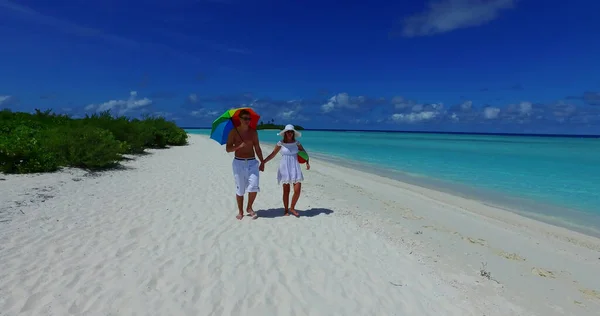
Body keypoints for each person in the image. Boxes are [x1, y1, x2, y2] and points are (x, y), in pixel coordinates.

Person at [262, 124, 310, 217]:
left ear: (293, 133)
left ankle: (292, 207)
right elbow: (273, 154)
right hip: (284, 167)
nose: (290, 133)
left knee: (297, 190)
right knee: (286, 191)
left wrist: (307, 162)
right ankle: (286, 209)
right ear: (285, 133)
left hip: (295, 166)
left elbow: (304, 153)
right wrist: (264, 161)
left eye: (291, 132)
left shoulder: (297, 143)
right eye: (288, 132)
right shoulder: (280, 143)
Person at [225, 109, 265, 220]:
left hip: (252, 162)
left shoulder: (253, 132)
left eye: (249, 119)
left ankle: (249, 207)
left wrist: (262, 161)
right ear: (240, 119)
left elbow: (257, 147)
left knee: (254, 186)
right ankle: (240, 211)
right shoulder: (233, 132)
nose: (247, 121)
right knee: (240, 189)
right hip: (238, 163)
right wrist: (238, 146)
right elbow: (228, 149)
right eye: (245, 118)